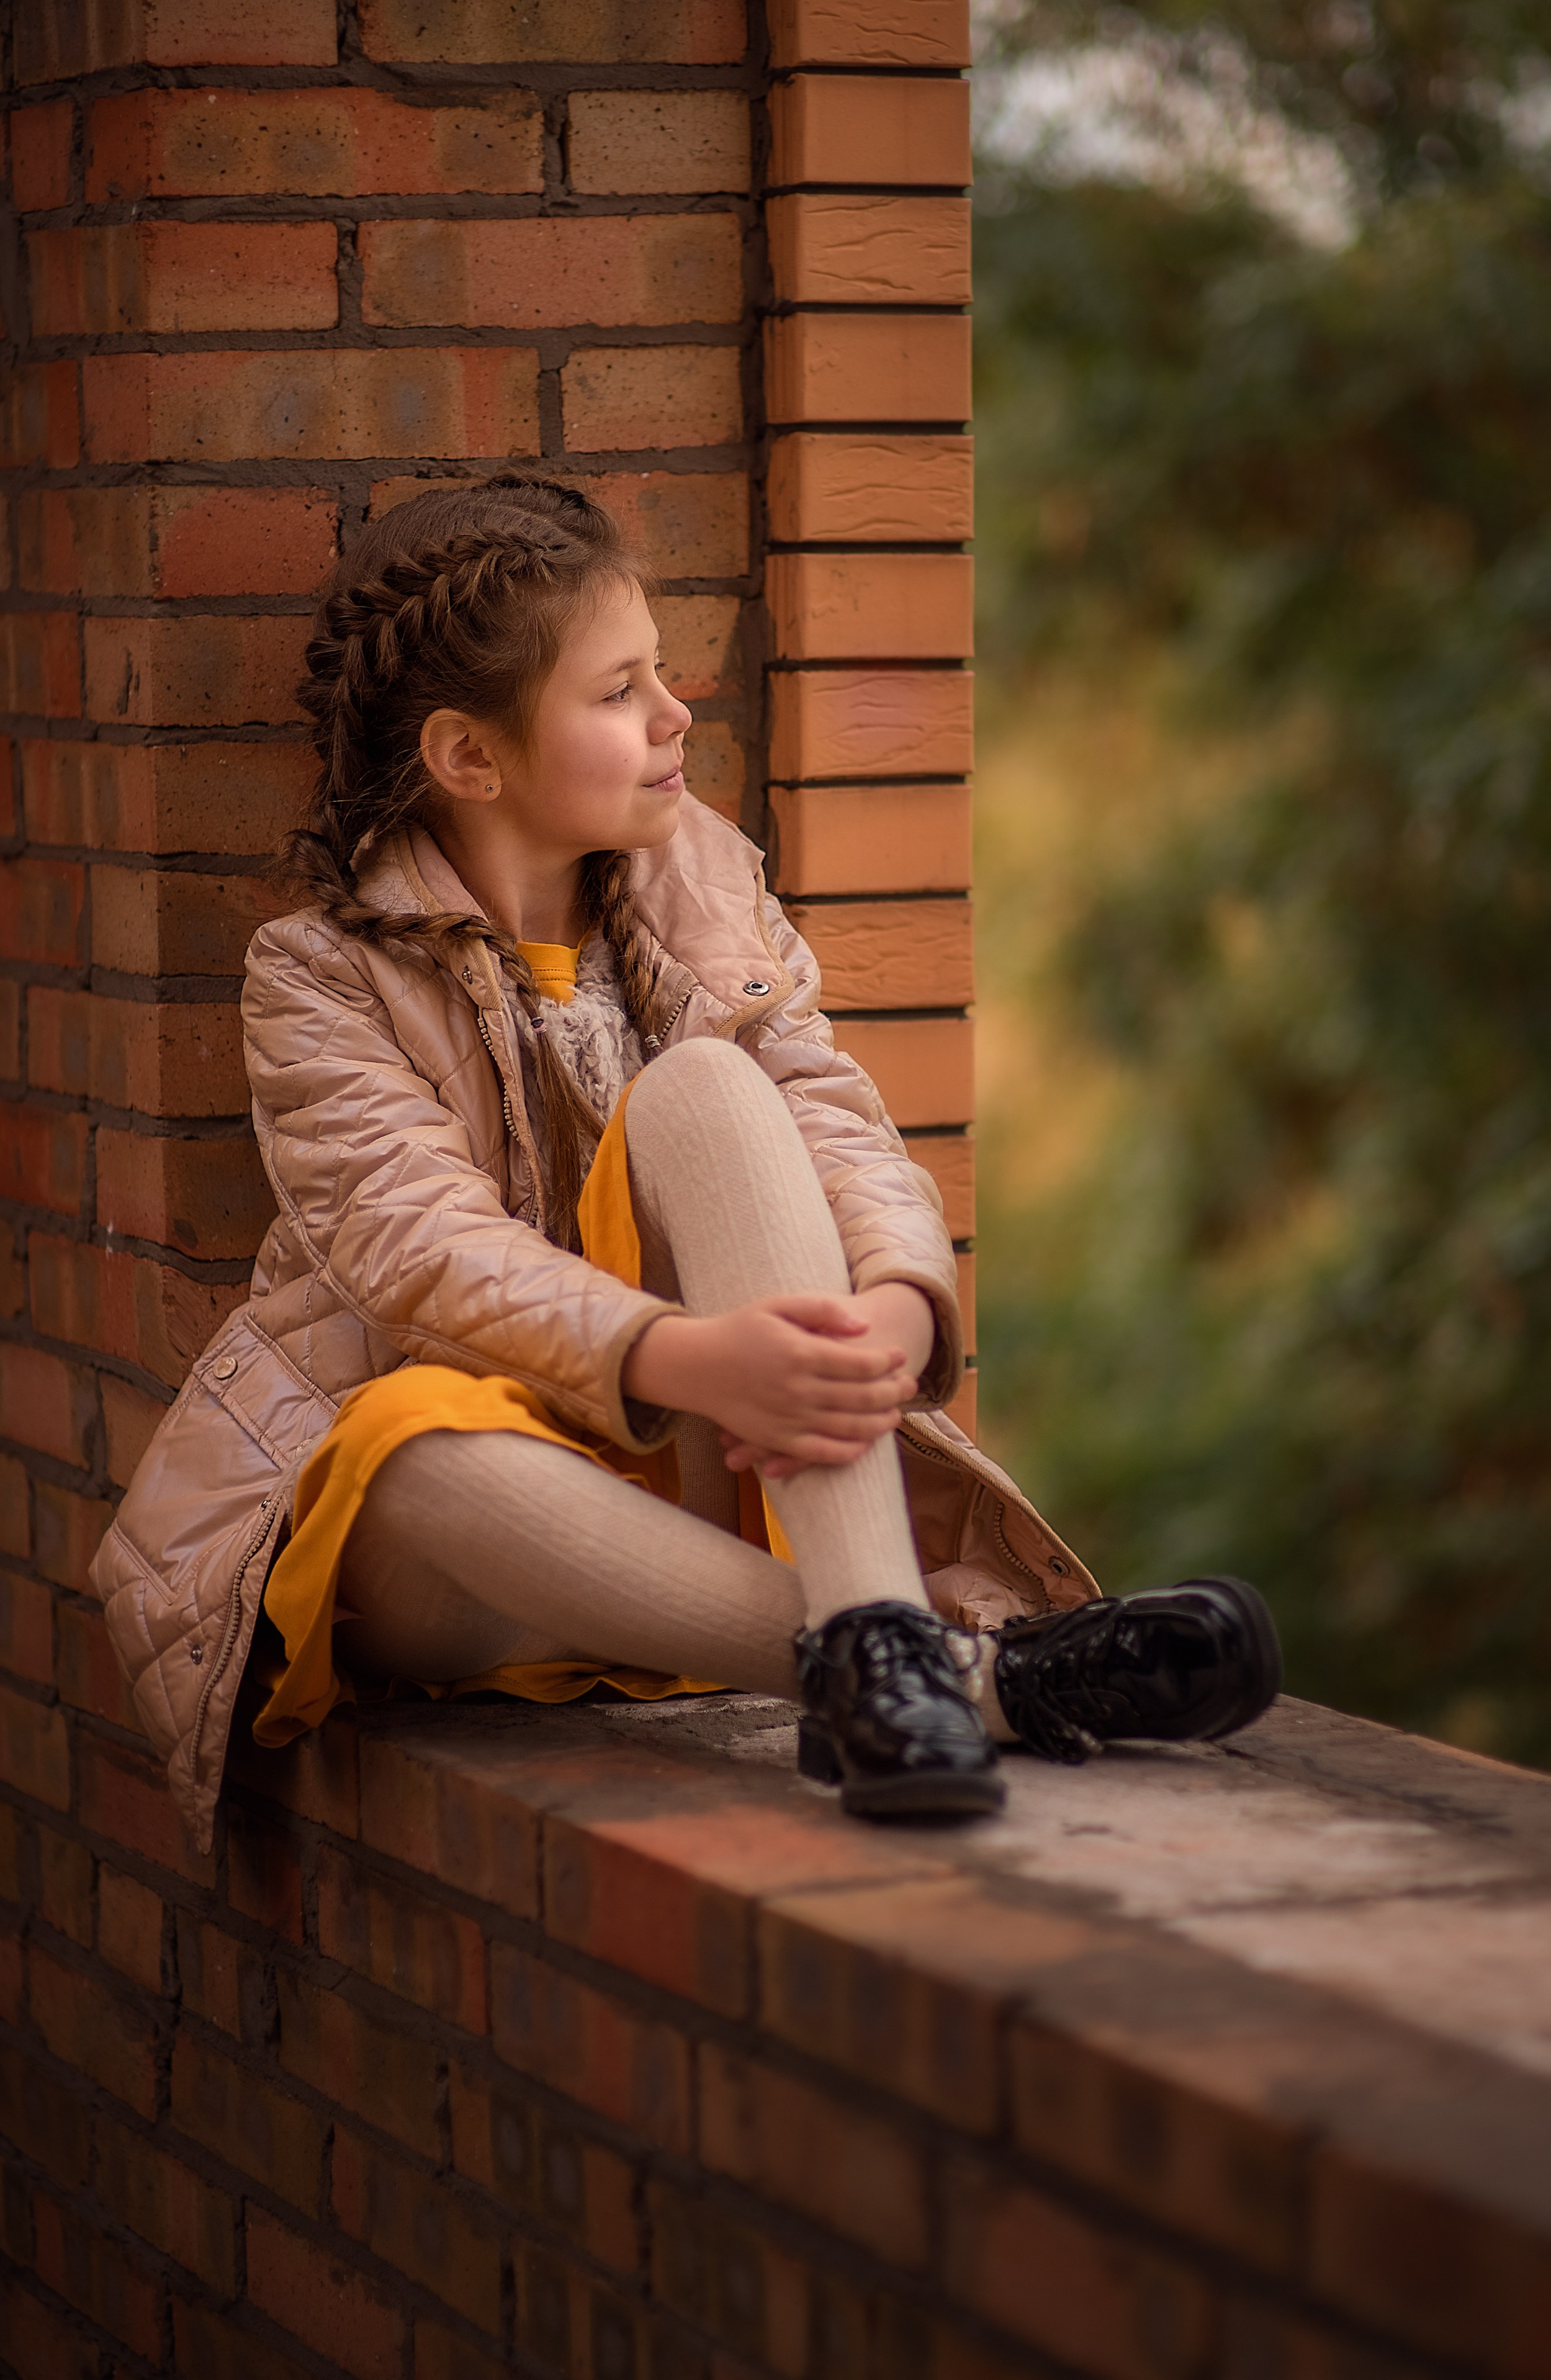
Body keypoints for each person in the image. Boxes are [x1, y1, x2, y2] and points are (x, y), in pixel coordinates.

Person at [91, 479, 1281, 1855]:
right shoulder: (318, 974)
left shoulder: (707, 887)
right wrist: (679, 1357)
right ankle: (966, 1672)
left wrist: (900, 1294)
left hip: (700, 1483)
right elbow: (413, 1249)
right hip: (478, 1540)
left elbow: (830, 1112)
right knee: (403, 1449)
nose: (675, 715)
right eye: (618, 691)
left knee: (710, 1082)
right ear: (470, 760)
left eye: (661, 672)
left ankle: (879, 1669)